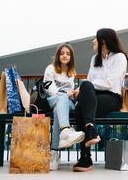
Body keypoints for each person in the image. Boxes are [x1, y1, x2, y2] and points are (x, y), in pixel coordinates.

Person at [72, 28, 128, 172]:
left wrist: (83, 88)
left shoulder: (120, 57)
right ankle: (90, 129)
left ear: (103, 41)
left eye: (95, 38)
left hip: (112, 98)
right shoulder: (94, 59)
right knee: (82, 98)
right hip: (93, 97)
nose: (92, 41)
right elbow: (90, 81)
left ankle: (85, 158)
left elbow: (110, 83)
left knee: (81, 103)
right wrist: (85, 87)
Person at [44, 43, 85, 171]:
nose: (65, 56)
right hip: (53, 99)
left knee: (59, 110)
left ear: (71, 57)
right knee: (60, 99)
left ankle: (54, 153)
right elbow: (48, 88)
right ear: (58, 55)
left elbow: (70, 91)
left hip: (67, 103)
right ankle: (66, 131)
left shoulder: (71, 72)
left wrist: (73, 93)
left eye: (68, 54)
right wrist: (63, 94)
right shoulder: (50, 69)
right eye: (62, 53)